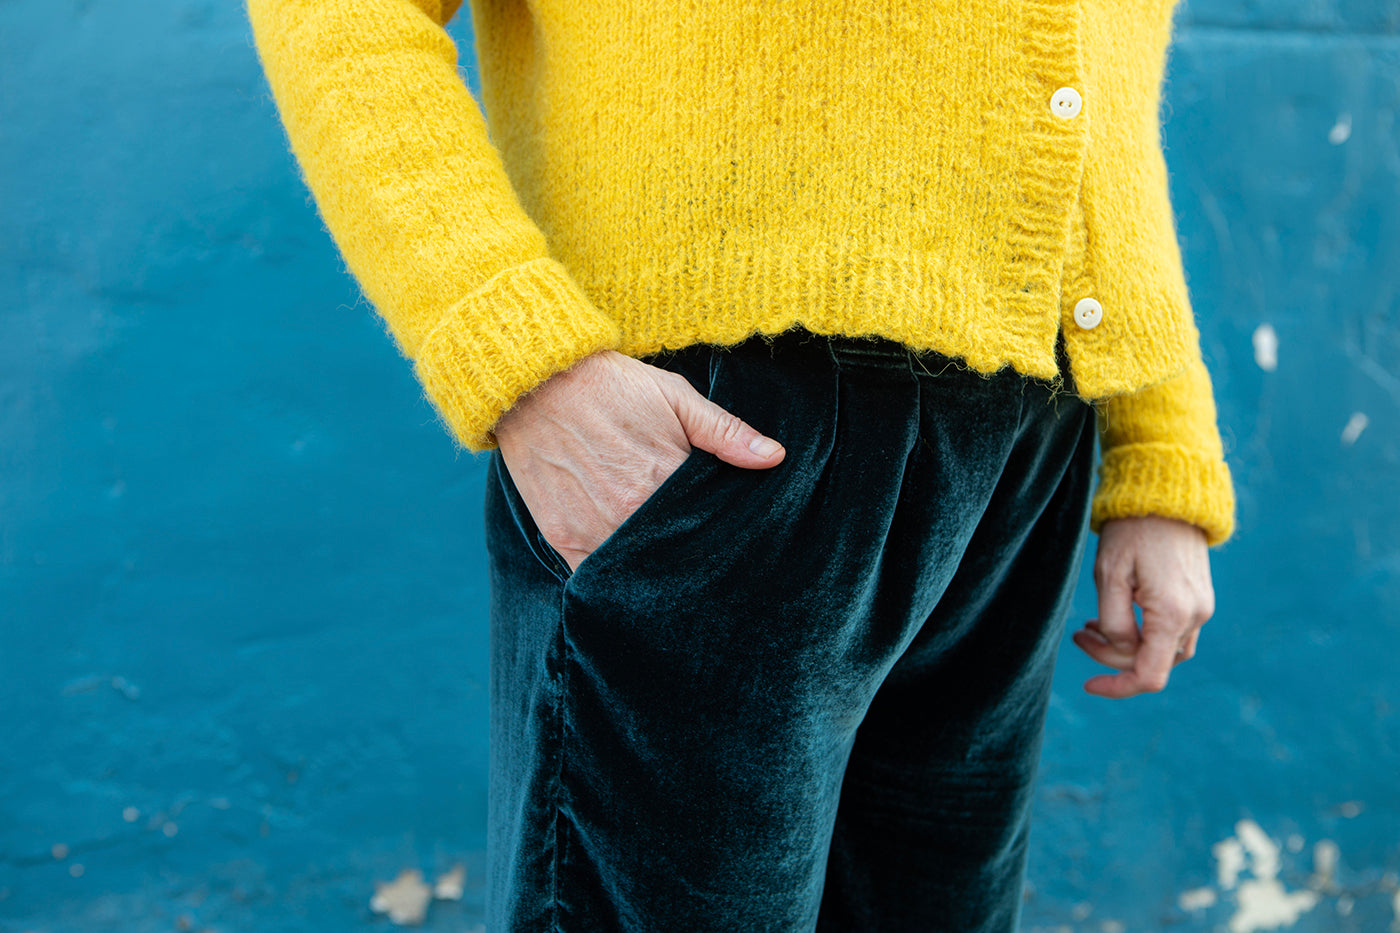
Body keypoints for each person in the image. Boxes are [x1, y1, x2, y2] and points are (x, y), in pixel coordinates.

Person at [248, 0, 1236, 929]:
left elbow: (1096, 69)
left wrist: (1160, 436)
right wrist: (520, 358)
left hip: (1021, 450)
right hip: (721, 434)